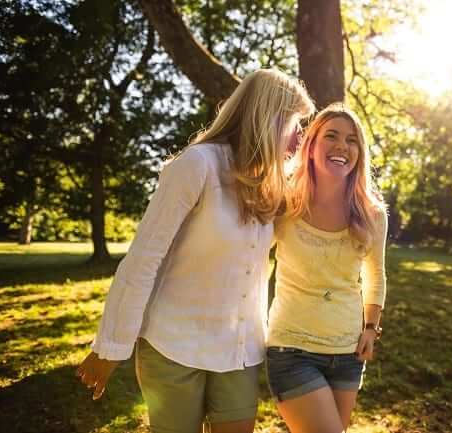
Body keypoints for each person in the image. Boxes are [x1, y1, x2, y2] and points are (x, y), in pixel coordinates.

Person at [76, 68, 314, 433]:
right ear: (268, 116)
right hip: (173, 346)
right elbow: (142, 261)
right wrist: (111, 346)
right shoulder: (196, 165)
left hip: (239, 352)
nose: (301, 136)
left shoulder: (274, 184)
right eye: (296, 123)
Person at [266, 103, 388, 433]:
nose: (342, 146)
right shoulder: (285, 202)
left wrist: (370, 328)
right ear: (310, 146)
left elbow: (375, 275)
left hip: (348, 352)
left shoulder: (372, 214)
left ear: (359, 153)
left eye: (352, 140)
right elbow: (251, 259)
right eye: (331, 136)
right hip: (291, 349)